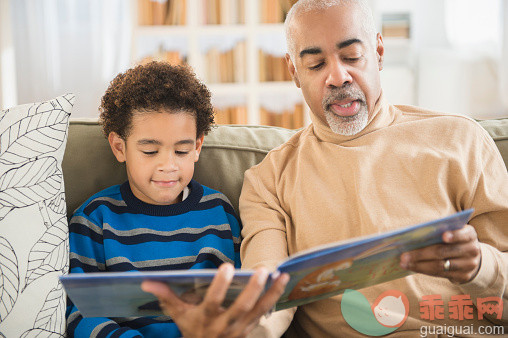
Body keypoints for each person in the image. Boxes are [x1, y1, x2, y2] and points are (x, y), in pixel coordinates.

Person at [143, 0, 507, 337]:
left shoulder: (460, 140)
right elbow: (268, 297)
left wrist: (480, 267)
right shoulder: (269, 180)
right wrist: (235, 328)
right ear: (294, 71)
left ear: (379, 53)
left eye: (352, 56)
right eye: (315, 64)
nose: (338, 77)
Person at [65, 61, 282, 337]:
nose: (168, 166)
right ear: (120, 147)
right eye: (150, 152)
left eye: (181, 151)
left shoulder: (219, 211)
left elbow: (239, 297)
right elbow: (79, 311)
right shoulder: (94, 219)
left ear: (197, 147)